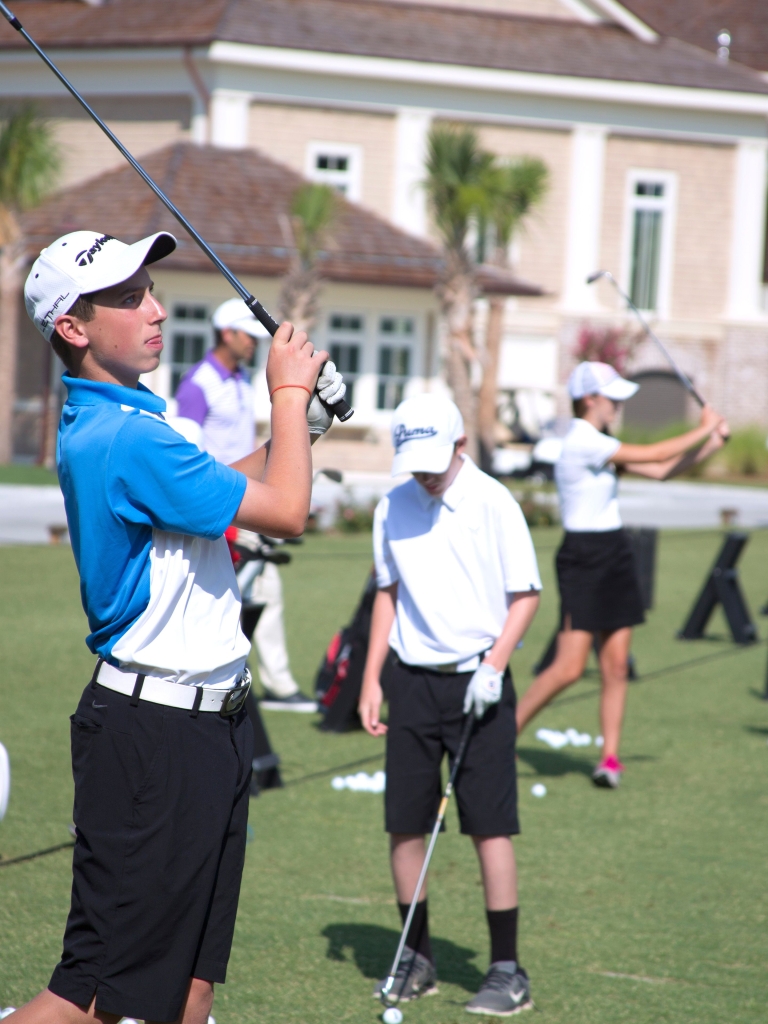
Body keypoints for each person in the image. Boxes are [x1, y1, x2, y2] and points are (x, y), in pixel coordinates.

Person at [11, 228, 342, 1024]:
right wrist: (290, 395)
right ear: (73, 328)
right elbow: (288, 511)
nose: (155, 309)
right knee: (91, 995)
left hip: (203, 728)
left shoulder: (137, 422)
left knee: (192, 983)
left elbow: (225, 492)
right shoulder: (127, 434)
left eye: (151, 288)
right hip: (152, 735)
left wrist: (308, 425)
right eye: (127, 298)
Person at [358, 394, 542, 1017]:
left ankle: (506, 968)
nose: (426, 474)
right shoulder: (394, 506)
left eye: (436, 460)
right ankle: (417, 957)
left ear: (462, 445)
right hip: (411, 681)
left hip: (478, 684)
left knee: (489, 825)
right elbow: (388, 594)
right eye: (415, 463)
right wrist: (371, 677)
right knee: (405, 823)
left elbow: (525, 596)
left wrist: (494, 666)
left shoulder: (494, 502)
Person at [516, 361, 728, 789]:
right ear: (589, 399)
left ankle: (609, 759)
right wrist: (703, 427)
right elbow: (654, 453)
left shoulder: (603, 442)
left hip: (614, 551)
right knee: (570, 668)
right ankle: (502, 736)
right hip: (583, 556)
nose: (618, 405)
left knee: (615, 666)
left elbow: (662, 470)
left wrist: (711, 446)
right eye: (612, 397)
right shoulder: (581, 441)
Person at [174, 297, 317, 711]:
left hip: (249, 492)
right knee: (244, 592)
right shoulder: (199, 383)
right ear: (226, 333)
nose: (254, 344)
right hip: (220, 504)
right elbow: (190, 450)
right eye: (248, 336)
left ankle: (270, 682)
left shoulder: (239, 379)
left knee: (264, 590)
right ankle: (272, 684)